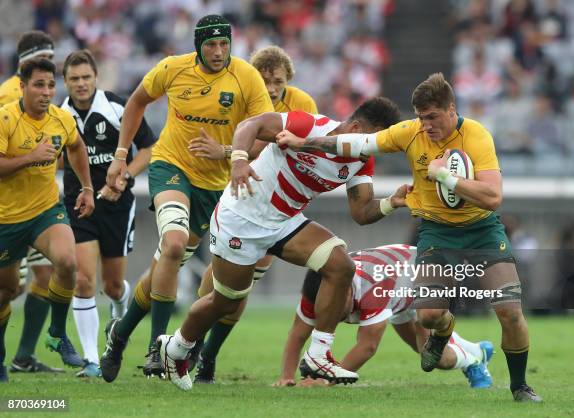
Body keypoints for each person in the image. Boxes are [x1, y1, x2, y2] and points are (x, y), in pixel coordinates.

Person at [277, 72, 542, 402]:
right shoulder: (410, 133)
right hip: (436, 232)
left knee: (510, 312)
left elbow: (492, 197)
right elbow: (358, 143)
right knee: (429, 315)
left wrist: (443, 175)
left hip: (482, 231)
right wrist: (307, 143)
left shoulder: (476, 136)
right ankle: (443, 332)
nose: (426, 125)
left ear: (451, 109)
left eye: (432, 117)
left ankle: (520, 387)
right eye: (420, 117)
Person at [157, 97, 405, 391]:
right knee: (225, 302)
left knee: (341, 266)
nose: (373, 149)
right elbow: (252, 124)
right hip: (241, 218)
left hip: (284, 222)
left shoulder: (361, 160)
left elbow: (361, 213)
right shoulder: (310, 124)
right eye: (373, 141)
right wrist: (238, 161)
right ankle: (174, 349)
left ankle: (318, 354)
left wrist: (391, 203)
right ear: (355, 127)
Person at [99, 14, 274, 383]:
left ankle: (118, 335)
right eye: (210, 44)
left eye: (224, 43)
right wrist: (120, 155)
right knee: (174, 245)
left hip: (216, 186)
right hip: (171, 166)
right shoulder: (172, 69)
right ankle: (157, 347)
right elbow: (136, 103)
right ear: (197, 45)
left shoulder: (246, 77)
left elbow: (267, 132)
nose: (218, 51)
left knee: (166, 262)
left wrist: (226, 151)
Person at [193, 45, 319, 384]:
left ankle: (207, 355)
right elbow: (238, 142)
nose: (271, 86)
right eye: (264, 80)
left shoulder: (303, 104)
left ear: (287, 80)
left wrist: (225, 151)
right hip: (240, 196)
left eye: (277, 80)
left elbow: (283, 146)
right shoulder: (241, 98)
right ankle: (194, 344)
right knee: (225, 276)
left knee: (243, 282)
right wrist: (228, 152)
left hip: (278, 203)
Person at [276, 244, 494, 388]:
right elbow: (297, 334)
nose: (329, 311)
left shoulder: (371, 287)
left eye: (335, 304)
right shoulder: (316, 288)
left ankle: (473, 361)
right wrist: (286, 378)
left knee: (434, 359)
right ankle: (477, 349)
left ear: (349, 290)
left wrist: (326, 381)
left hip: (423, 277)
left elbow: (367, 346)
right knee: (421, 347)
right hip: (398, 289)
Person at [61, 50, 156, 378]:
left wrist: (126, 174)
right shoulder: (58, 114)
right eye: (74, 78)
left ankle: (118, 311)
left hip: (117, 207)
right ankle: (91, 360)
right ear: (66, 82)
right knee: (84, 279)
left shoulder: (118, 106)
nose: (81, 83)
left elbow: (149, 149)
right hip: (78, 205)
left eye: (86, 77)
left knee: (113, 285)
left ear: (96, 77)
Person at [0, 57, 95, 382]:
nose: (46, 92)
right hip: (6, 219)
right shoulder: (6, 118)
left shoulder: (61, 119)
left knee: (68, 262)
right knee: (7, 291)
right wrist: (30, 158)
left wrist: (86, 188)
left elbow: (77, 147)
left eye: (51, 85)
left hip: (45, 211)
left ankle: (56, 332)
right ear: (23, 86)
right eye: (39, 85)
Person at [0, 30, 61, 374]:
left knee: (44, 274)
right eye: (46, 59)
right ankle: (18, 355)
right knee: (11, 286)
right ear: (26, 63)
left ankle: (23, 356)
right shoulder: (12, 95)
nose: (51, 70)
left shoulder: (44, 92)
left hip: (38, 204)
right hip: (11, 206)